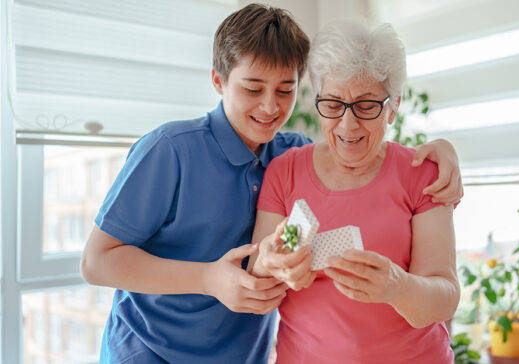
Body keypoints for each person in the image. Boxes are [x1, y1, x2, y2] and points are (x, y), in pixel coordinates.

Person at [79, 4, 463, 364]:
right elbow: (96, 262)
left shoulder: (286, 153)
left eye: (284, 90)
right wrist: (211, 277)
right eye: (252, 88)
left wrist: (444, 148)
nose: (269, 107)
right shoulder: (170, 150)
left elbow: (351, 151)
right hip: (152, 350)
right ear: (218, 80)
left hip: (241, 354)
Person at [250, 19, 459, 363]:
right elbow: (259, 271)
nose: (348, 125)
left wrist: (396, 286)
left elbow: (445, 297)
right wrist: (273, 263)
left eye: (366, 106)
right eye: (333, 104)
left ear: (393, 106)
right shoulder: (284, 171)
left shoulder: (422, 174)